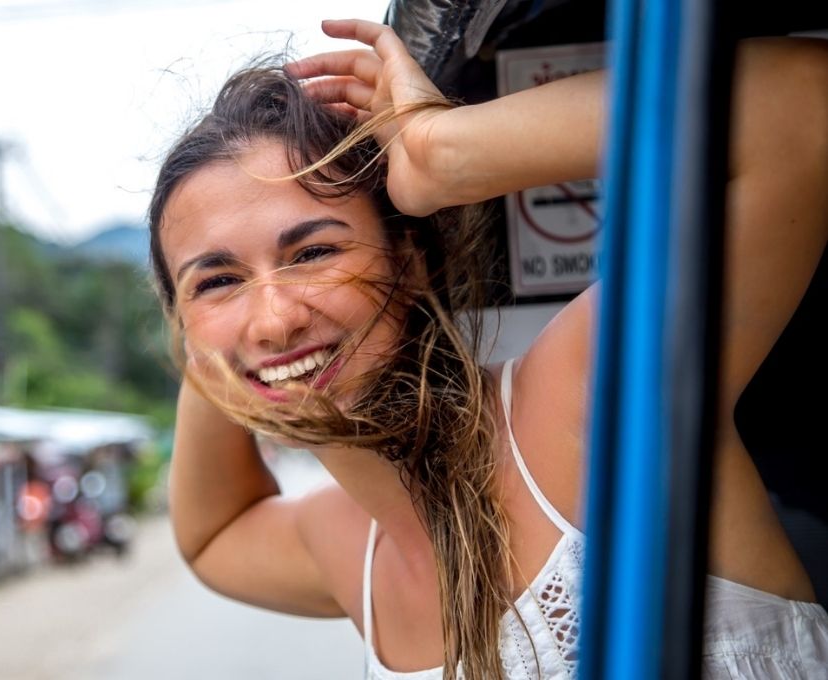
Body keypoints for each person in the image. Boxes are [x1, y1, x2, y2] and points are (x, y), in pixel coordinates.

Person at [150, 18, 828, 679]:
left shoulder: (587, 398)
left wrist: (441, 151)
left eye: (314, 251)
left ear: (409, 265)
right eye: (218, 279)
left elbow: (804, 109)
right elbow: (210, 533)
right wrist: (218, 337)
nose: (274, 319)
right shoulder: (350, 546)